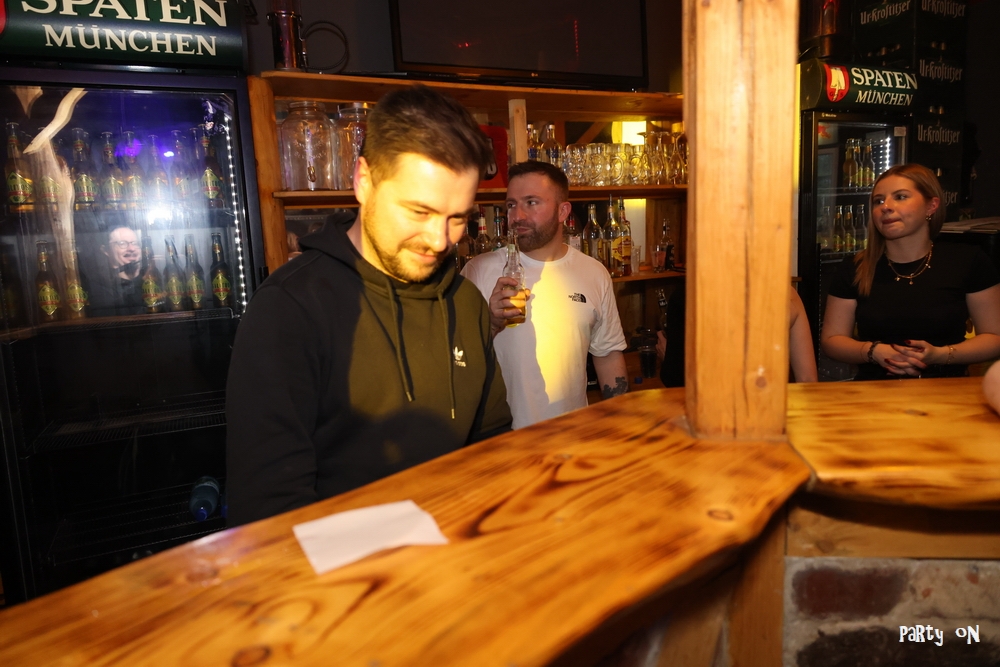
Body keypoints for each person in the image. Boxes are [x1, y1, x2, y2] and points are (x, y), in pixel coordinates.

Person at [226, 86, 512, 525]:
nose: (440, 240)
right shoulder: (290, 308)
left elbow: (492, 446)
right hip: (344, 565)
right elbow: (268, 509)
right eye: (419, 212)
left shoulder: (465, 302)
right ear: (364, 181)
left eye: (458, 218)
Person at [461, 161, 627, 428]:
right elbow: (455, 360)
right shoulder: (478, 270)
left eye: (531, 202)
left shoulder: (593, 272)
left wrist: (619, 425)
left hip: (571, 434)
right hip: (501, 438)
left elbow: (607, 354)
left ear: (563, 211)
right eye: (511, 204)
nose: (517, 216)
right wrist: (490, 324)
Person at [822, 163, 1000, 380]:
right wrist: (873, 351)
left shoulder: (968, 261)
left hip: (947, 391)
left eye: (900, 197)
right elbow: (832, 340)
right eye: (878, 201)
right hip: (873, 392)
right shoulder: (855, 267)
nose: (886, 207)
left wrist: (941, 355)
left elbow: (994, 338)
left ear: (931, 206)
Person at [655, 284, 818, 386]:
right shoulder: (787, 294)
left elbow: (678, 383)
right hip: (772, 416)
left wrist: (669, 355)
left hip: (720, 422)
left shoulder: (689, 295)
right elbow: (808, 380)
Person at [89, 224, 144, 316]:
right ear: (106, 250)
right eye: (122, 243)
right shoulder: (99, 288)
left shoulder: (149, 280)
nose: (132, 248)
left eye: (135, 243)